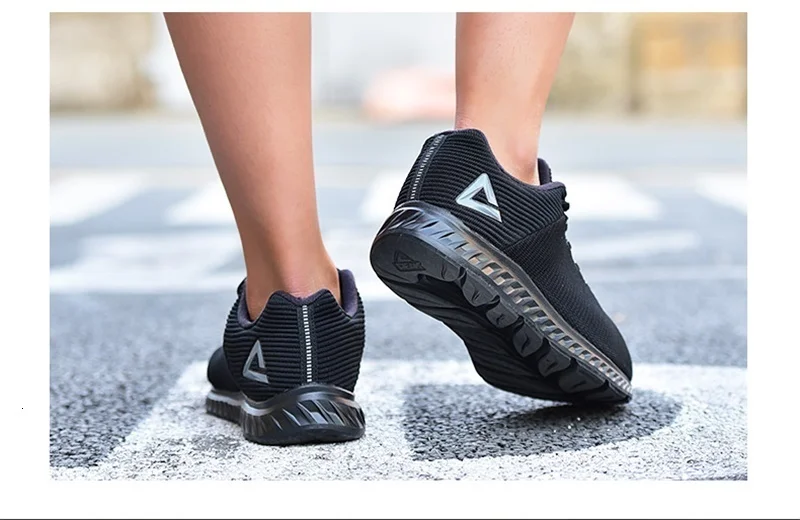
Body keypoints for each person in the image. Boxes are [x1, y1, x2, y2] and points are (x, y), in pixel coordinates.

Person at [164, 12, 633, 445]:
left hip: (293, 350)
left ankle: (287, 308)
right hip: (485, 203)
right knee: (496, 164)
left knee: (288, 296)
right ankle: (494, 180)